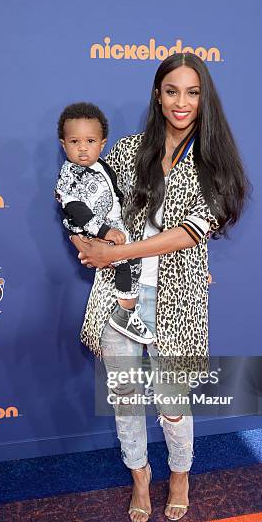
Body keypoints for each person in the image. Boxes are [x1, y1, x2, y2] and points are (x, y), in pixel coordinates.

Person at [71, 53, 250, 522]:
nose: (181, 102)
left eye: (192, 92)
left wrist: (117, 253)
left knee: (173, 402)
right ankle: (140, 476)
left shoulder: (214, 159)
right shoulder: (130, 150)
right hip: (119, 296)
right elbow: (92, 201)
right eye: (172, 91)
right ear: (157, 94)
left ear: (204, 98)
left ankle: (179, 475)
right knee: (126, 399)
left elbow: (192, 231)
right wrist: (90, 235)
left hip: (176, 297)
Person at [55, 102, 154, 344]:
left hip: (112, 223)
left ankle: (126, 311)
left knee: (133, 259)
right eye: (74, 142)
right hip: (92, 231)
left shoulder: (103, 166)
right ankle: (125, 314)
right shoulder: (69, 177)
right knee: (127, 260)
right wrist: (104, 231)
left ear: (102, 144)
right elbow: (75, 210)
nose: (82, 149)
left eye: (90, 141)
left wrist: (117, 218)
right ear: (63, 144)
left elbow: (115, 192)